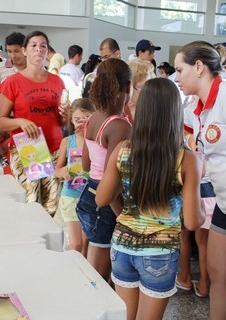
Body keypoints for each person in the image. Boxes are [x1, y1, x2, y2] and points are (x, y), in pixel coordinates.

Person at [96, 77, 205, 320]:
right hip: (160, 253)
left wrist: (126, 213)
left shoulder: (123, 149)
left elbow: (102, 198)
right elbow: (193, 221)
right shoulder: (187, 160)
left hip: (122, 246)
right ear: (175, 112)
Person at [174, 40, 226, 320]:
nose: (177, 77)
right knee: (218, 272)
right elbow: (201, 157)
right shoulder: (194, 109)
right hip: (222, 201)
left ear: (198, 67)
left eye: (180, 70)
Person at [0, 30, 68, 216]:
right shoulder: (13, 82)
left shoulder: (57, 82)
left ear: (47, 51)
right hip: (29, 147)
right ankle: (27, 241)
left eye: (43, 46)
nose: (38, 49)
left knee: (52, 204)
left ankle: (45, 243)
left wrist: (66, 115)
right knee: (31, 202)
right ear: (25, 51)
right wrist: (20, 121)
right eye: (33, 45)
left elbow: (62, 121)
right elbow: (0, 122)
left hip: (54, 146)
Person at [76, 58, 132, 281]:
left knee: (96, 267)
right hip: (108, 201)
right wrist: (124, 217)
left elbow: (86, 165)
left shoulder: (94, 118)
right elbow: (112, 179)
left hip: (89, 194)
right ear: (127, 87)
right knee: (99, 276)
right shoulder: (120, 126)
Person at [176, 133, 215, 298]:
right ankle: (204, 284)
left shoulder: (190, 132)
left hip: (195, 188)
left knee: (184, 236)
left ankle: (185, 278)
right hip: (213, 189)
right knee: (203, 243)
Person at [55, 98, 95, 255]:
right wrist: (63, 171)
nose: (81, 123)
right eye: (77, 119)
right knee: (76, 244)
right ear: (71, 121)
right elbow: (56, 170)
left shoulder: (97, 141)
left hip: (90, 197)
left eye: (86, 119)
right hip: (71, 196)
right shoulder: (67, 141)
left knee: (86, 243)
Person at [0, 32, 26, 138]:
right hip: (4, 128)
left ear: (25, 50)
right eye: (9, 51)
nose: (13, 55)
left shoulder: (35, 70)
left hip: (27, 127)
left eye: (17, 51)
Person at [124, 58, 155, 124]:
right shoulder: (121, 111)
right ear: (129, 87)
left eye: (148, 87)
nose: (146, 93)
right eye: (141, 87)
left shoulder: (152, 108)